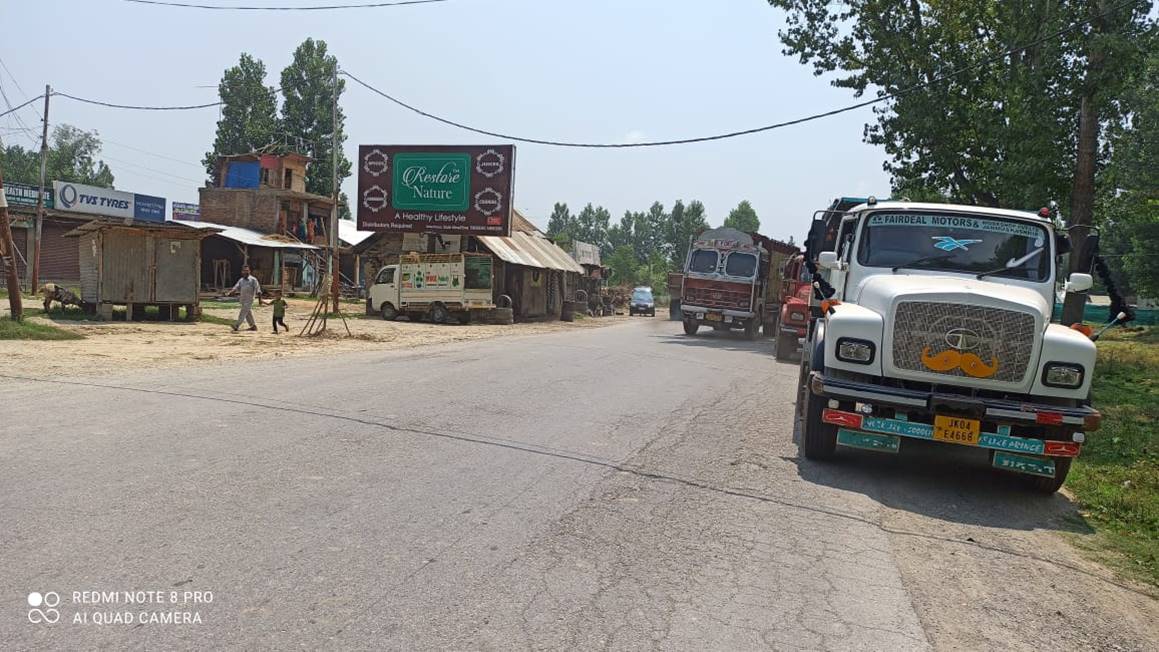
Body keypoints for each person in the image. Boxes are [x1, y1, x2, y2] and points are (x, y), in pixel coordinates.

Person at [227, 265, 262, 331]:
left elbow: (258, 290)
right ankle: (253, 326)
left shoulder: (253, 280)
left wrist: (260, 300)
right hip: (243, 299)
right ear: (242, 272)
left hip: (249, 300)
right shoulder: (241, 280)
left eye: (247, 270)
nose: (246, 272)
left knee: (243, 312)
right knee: (248, 313)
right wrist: (230, 292)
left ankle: (236, 325)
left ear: (249, 271)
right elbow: (236, 287)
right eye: (244, 271)